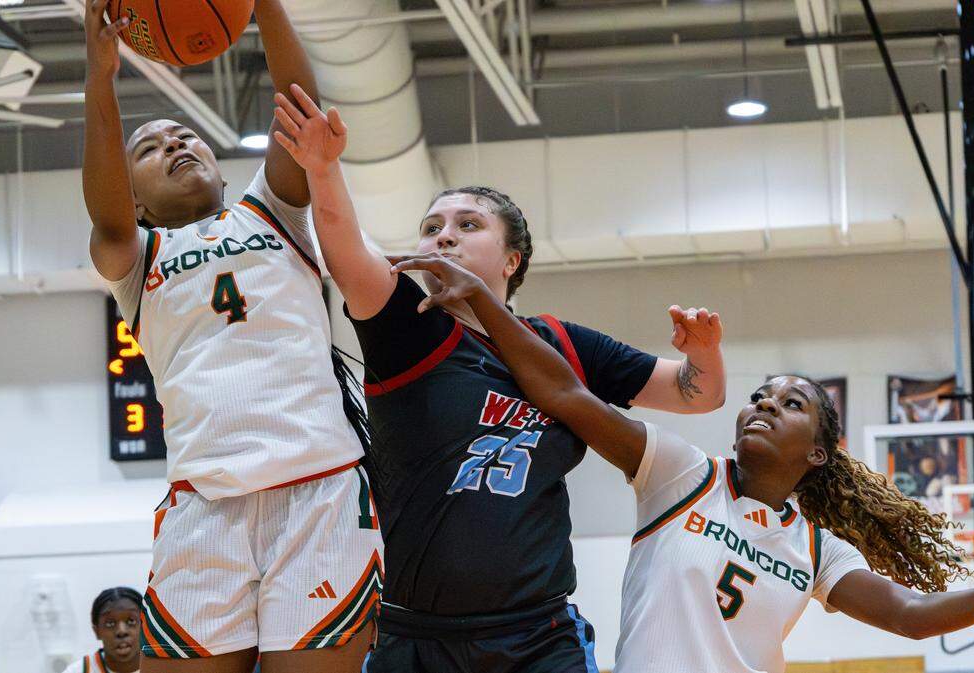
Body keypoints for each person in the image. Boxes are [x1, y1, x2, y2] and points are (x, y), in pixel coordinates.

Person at [386, 252, 974, 673]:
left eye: (791, 402)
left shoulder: (816, 546)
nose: (764, 404)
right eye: (758, 395)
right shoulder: (683, 475)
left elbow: (911, 614)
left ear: (818, 451)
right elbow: (566, 392)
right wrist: (484, 301)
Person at [268, 86, 725, 672]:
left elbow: (698, 391)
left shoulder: (561, 344)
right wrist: (324, 171)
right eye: (432, 226)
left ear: (511, 261)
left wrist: (706, 351)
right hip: (416, 633)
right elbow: (347, 251)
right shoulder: (406, 327)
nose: (444, 235)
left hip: (537, 634)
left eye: (468, 224)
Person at [81, 1, 381, 671]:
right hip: (205, 503)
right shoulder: (136, 261)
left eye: (185, 137)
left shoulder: (272, 210)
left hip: (319, 490)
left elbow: (298, 104)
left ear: (221, 171)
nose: (176, 145)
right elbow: (103, 219)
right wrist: (99, 76)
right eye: (150, 148)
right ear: (134, 198)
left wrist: (263, 4)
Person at [64, 588, 144, 673]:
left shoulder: (158, 667)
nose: (121, 631)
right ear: (97, 631)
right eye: (110, 623)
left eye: (131, 621)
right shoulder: (77, 670)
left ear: (145, 626)